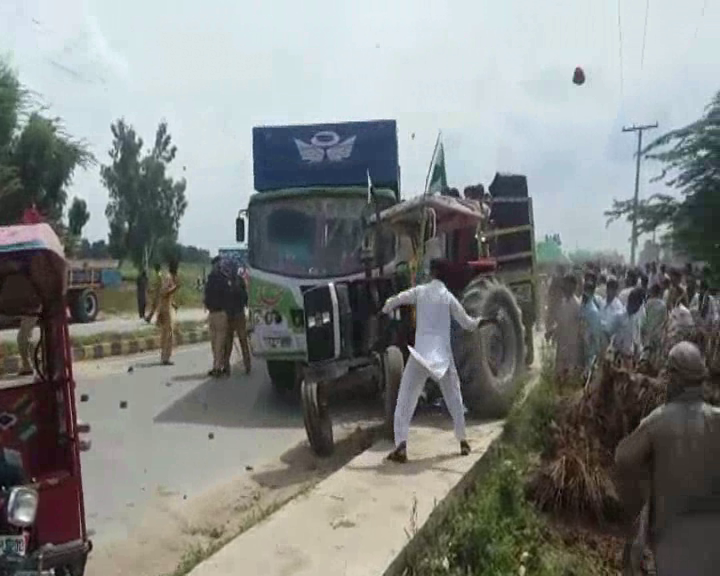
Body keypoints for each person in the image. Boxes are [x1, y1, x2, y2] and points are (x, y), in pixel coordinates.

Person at [615, 341, 720, 575]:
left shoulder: (657, 422)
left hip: (672, 539)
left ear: (674, 380)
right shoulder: (716, 420)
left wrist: (639, 495)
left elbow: (623, 460)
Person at [381, 259, 493, 463]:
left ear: (432, 272)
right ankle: (463, 442)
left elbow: (399, 299)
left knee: (405, 399)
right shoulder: (448, 297)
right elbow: (468, 323)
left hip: (421, 355)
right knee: (454, 398)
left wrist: (385, 309)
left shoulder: (421, 291)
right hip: (442, 357)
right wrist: (484, 321)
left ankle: (401, 446)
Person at [222, 264, 251, 376]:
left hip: (233, 314)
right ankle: (246, 364)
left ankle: (227, 365)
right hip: (237, 313)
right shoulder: (239, 281)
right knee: (240, 341)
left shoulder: (228, 282)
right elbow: (245, 297)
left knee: (232, 341)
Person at [553, 274, 583, 381]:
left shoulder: (577, 305)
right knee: (559, 375)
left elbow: (581, 328)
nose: (564, 286)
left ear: (573, 286)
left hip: (572, 347)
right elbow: (560, 322)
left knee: (569, 377)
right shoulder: (563, 302)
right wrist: (552, 331)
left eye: (567, 284)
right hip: (562, 345)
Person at [204, 257, 230, 377]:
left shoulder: (214, 279)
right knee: (215, 344)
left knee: (217, 344)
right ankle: (218, 366)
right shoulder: (219, 279)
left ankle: (217, 367)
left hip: (218, 313)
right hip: (216, 313)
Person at [156, 260, 179, 365]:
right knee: (168, 334)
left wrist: (173, 303)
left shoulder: (170, 278)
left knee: (167, 333)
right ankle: (165, 358)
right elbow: (164, 293)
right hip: (165, 310)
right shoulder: (168, 278)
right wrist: (175, 288)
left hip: (167, 307)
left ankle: (165, 356)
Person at [580, 278, 602, 378]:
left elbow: (596, 334)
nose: (584, 293)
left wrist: (597, 351)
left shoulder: (593, 311)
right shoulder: (582, 307)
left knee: (589, 375)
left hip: (590, 350)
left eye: (587, 290)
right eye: (584, 289)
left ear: (592, 292)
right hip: (582, 347)